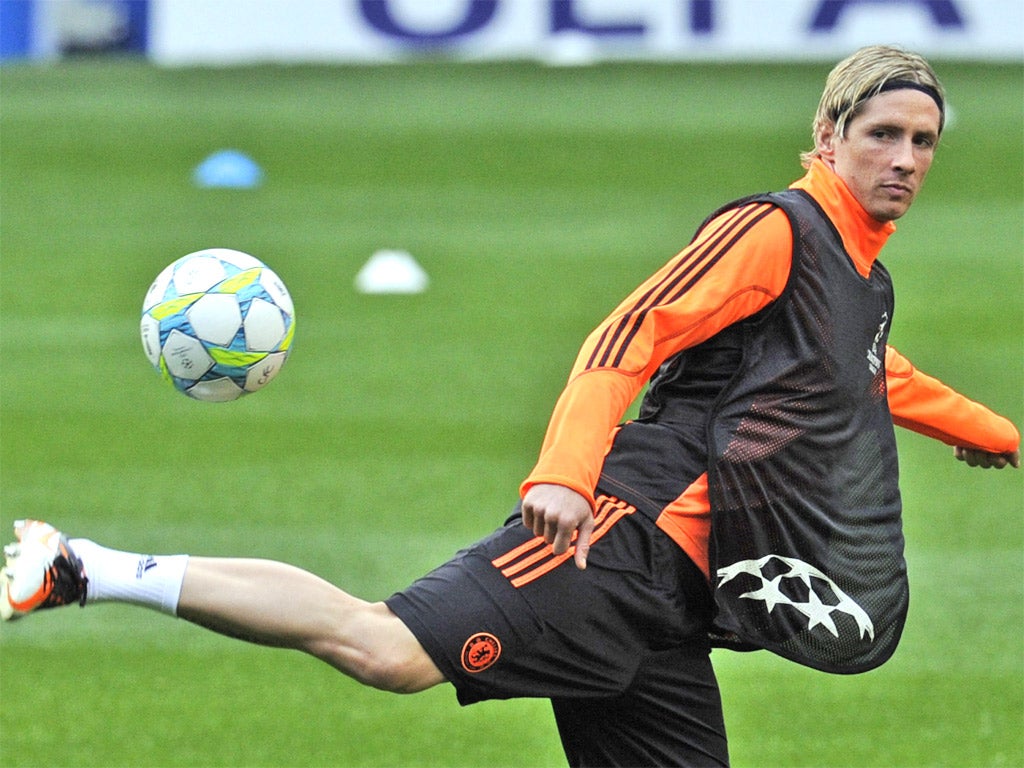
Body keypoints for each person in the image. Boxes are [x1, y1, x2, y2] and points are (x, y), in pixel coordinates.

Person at [2, 45, 1019, 767]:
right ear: (827, 136)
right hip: (614, 540)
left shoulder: (858, 279)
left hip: (678, 607)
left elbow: (868, 375)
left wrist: (992, 432)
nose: (904, 160)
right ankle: (85, 566)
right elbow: (626, 339)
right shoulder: (775, 229)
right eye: (882, 134)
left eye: (922, 141)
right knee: (388, 649)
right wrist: (564, 479)